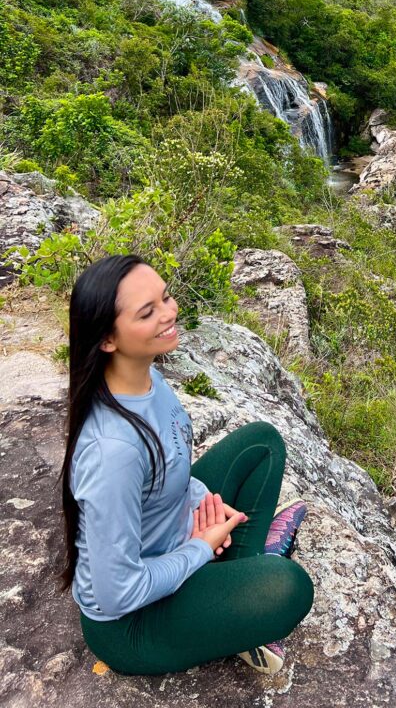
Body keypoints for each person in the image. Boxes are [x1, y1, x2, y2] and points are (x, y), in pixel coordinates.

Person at [60, 253, 314, 676]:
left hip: (170, 539)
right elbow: (118, 594)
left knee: (262, 444)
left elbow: (171, 469)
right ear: (107, 339)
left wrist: (201, 502)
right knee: (289, 587)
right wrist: (200, 547)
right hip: (132, 623)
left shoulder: (148, 379)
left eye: (166, 297)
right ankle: (242, 590)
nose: (169, 313)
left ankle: (235, 578)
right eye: (147, 312)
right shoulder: (113, 452)